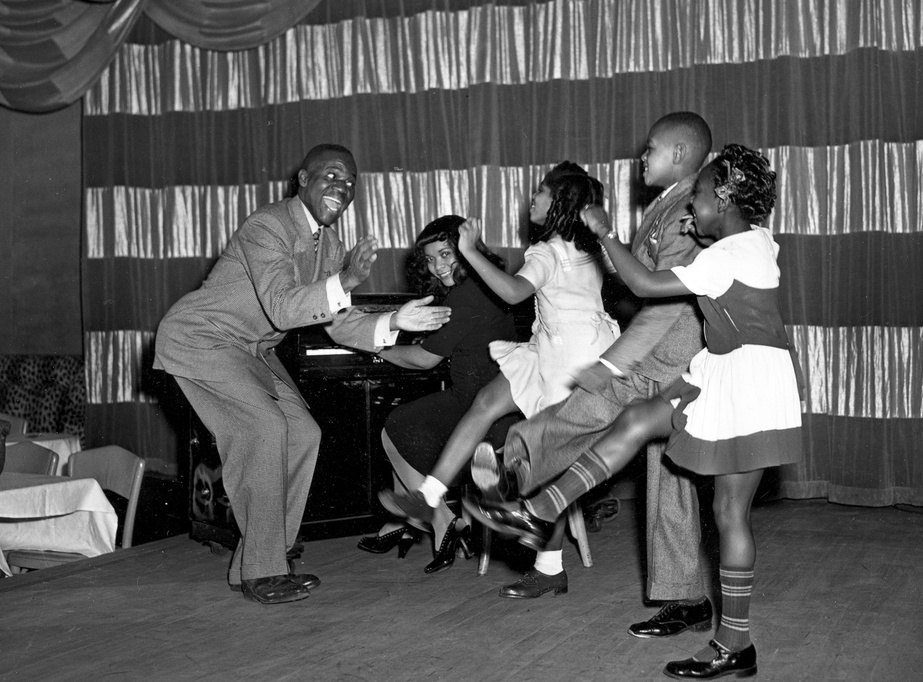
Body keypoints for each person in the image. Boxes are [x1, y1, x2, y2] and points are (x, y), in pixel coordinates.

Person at [468, 144, 803, 679]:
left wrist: (603, 232)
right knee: (636, 420)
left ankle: (735, 644)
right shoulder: (756, 240)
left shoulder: (727, 256)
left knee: (728, 514)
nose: (691, 212)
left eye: (697, 199)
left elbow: (647, 286)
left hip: (748, 385)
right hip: (724, 368)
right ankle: (542, 510)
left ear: (724, 197)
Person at [154, 144, 452, 605]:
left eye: (350, 182)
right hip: (203, 338)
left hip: (251, 348)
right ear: (303, 180)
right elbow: (282, 306)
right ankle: (264, 570)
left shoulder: (328, 243)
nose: (342, 188)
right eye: (331, 176)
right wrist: (347, 281)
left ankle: (254, 563)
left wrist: (395, 322)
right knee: (266, 429)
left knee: (303, 433)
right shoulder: (268, 225)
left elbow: (337, 320)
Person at [471, 112, 715, 606]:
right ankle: (682, 597)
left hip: (667, 358)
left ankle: (518, 475)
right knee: (666, 478)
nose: (640, 157)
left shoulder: (691, 209)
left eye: (649, 148)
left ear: (679, 154)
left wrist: (611, 363)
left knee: (589, 413)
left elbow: (663, 299)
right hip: (655, 353)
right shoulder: (667, 207)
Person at [380, 163, 621, 586]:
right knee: (487, 403)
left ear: (559, 205)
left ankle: (549, 568)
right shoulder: (583, 248)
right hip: (562, 346)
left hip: (567, 360)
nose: (533, 198)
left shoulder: (547, 253)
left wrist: (469, 249)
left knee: (548, 465)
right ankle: (429, 496)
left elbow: (512, 292)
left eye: (542, 193)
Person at [357, 215, 518, 573]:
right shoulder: (482, 285)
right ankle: (410, 523)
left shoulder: (467, 294)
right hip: (495, 401)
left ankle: (440, 520)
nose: (438, 266)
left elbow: (423, 360)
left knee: (395, 427)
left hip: (483, 410)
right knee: (409, 422)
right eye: (430, 259)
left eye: (446, 254)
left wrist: (375, 346)